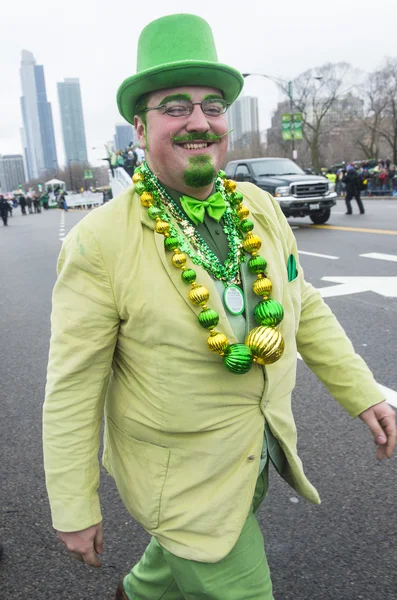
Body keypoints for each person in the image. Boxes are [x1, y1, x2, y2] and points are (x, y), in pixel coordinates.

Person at [43, 14, 396, 600]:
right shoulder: (99, 240)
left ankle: (141, 590)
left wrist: (363, 393)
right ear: (139, 125)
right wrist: (73, 504)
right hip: (179, 481)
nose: (199, 122)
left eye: (213, 106)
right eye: (175, 107)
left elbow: (301, 304)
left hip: (255, 455)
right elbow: (73, 387)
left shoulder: (258, 207)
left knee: (177, 563)